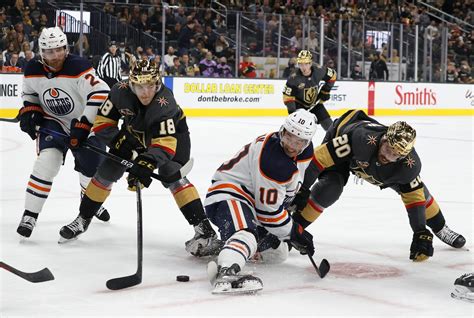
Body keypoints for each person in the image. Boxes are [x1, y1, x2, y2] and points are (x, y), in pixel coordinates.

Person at [58, 59, 222, 258]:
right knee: (108, 170)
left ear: (158, 84)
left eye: (150, 85)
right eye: (139, 86)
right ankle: (83, 219)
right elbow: (102, 123)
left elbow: (165, 144)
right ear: (131, 84)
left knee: (171, 173)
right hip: (133, 134)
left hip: (173, 139)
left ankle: (204, 229)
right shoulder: (119, 91)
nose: (145, 92)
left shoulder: (165, 103)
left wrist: (146, 163)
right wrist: (121, 141)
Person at [290, 110, 466, 262]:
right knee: (330, 188)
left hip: (371, 165)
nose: (388, 157)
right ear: (383, 139)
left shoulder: (408, 165)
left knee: (421, 193)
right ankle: (291, 230)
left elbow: (414, 199)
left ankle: (441, 228)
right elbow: (318, 159)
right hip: (343, 142)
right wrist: (303, 188)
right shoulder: (361, 139)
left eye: (396, 155)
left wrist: (420, 231)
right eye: (388, 149)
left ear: (404, 157)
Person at [204, 110, 318, 294]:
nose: (292, 146)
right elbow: (268, 214)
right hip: (230, 193)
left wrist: (298, 193)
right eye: (289, 137)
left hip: (254, 202)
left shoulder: (305, 152)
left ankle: (230, 247)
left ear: (307, 142)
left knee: (279, 253)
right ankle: (226, 270)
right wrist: (294, 232)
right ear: (282, 131)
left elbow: (286, 187)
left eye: (299, 142)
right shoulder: (273, 160)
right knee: (246, 234)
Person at [16, 27, 111, 239]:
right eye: (50, 52)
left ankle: (90, 205)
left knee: (90, 171)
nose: (55, 56)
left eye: (59, 50)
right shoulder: (32, 68)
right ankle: (30, 215)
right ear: (41, 52)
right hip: (55, 123)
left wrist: (84, 124)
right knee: (46, 164)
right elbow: (30, 94)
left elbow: (101, 93)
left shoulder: (79, 66)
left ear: (66, 48)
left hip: (85, 123)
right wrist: (30, 111)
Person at [282, 50, 337, 131]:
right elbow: (287, 97)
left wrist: (325, 91)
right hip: (299, 108)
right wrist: (293, 113)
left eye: (306, 63)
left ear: (311, 63)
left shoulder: (319, 70)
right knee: (299, 133)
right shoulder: (293, 78)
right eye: (300, 64)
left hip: (315, 104)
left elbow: (333, 75)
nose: (303, 67)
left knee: (331, 129)